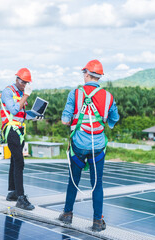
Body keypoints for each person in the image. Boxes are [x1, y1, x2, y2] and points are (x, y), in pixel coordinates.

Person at [58, 60, 119, 231]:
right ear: (99, 77)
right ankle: (97, 222)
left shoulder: (75, 93)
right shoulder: (108, 96)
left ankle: (68, 214)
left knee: (73, 181)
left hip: (78, 145)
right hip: (98, 146)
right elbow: (114, 119)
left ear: (86, 74)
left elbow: (65, 120)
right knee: (97, 184)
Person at [0, 67, 40, 210]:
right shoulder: (8, 91)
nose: (25, 85)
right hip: (11, 130)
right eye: (23, 82)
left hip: (19, 130)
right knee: (19, 162)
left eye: (27, 83)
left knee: (14, 160)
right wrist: (26, 96)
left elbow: (21, 113)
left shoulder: (20, 92)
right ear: (17, 79)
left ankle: (13, 192)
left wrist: (33, 116)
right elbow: (14, 110)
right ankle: (21, 198)